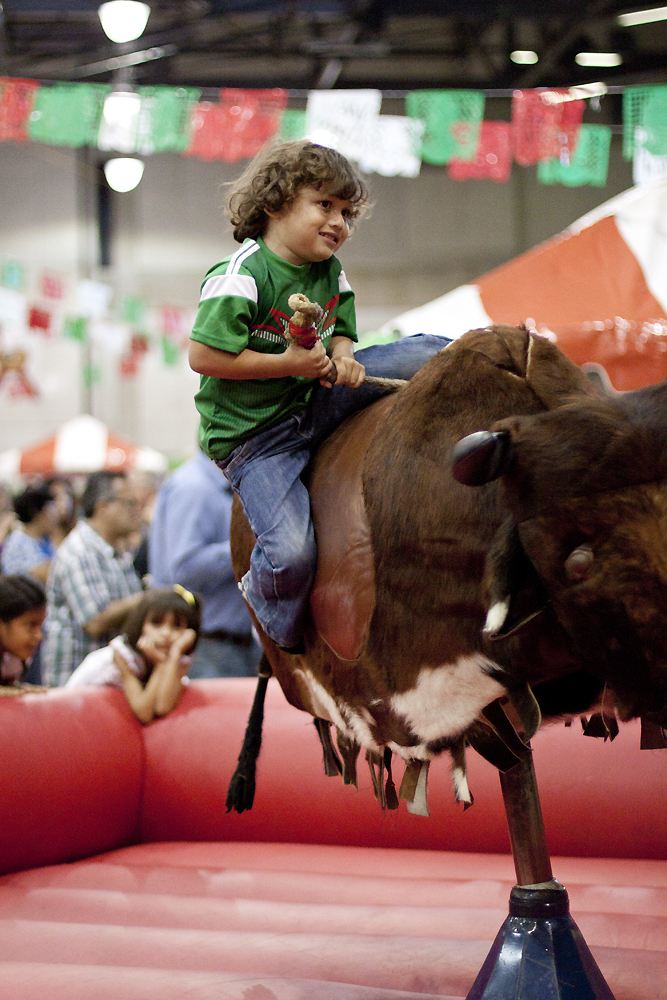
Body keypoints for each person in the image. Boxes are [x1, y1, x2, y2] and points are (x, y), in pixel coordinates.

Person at [188, 139, 448, 651]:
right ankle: (264, 599)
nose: (339, 223)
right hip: (256, 439)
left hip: (312, 398)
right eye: (324, 205)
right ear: (275, 202)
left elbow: (342, 329)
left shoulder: (330, 271)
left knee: (429, 351)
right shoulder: (241, 275)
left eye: (347, 212)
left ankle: (489, 363)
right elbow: (204, 357)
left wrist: (347, 355)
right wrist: (288, 363)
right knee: (292, 554)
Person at [148, 448, 260, 678]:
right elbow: (185, 567)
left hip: (227, 645)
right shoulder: (195, 487)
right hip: (211, 646)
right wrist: (245, 547)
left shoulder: (213, 485)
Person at [42, 470, 144, 687]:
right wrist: (147, 599)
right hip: (75, 689)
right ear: (102, 507)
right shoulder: (79, 551)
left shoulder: (117, 551)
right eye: (129, 503)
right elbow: (95, 620)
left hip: (105, 685)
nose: (137, 511)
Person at [66, 586, 200, 724]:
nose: (165, 633)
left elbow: (162, 707)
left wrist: (173, 655)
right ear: (141, 625)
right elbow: (144, 712)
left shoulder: (175, 656)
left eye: (176, 626)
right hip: (75, 714)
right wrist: (160, 665)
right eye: (157, 624)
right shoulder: (122, 655)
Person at [0, 482, 57, 583]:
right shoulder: (18, 543)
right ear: (37, 513)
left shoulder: (43, 540)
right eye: (50, 510)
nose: (55, 516)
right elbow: (44, 575)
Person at [0, 574, 46, 690]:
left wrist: (19, 688)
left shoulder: (17, 657)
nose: (39, 636)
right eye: (31, 626)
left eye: (40, 626)